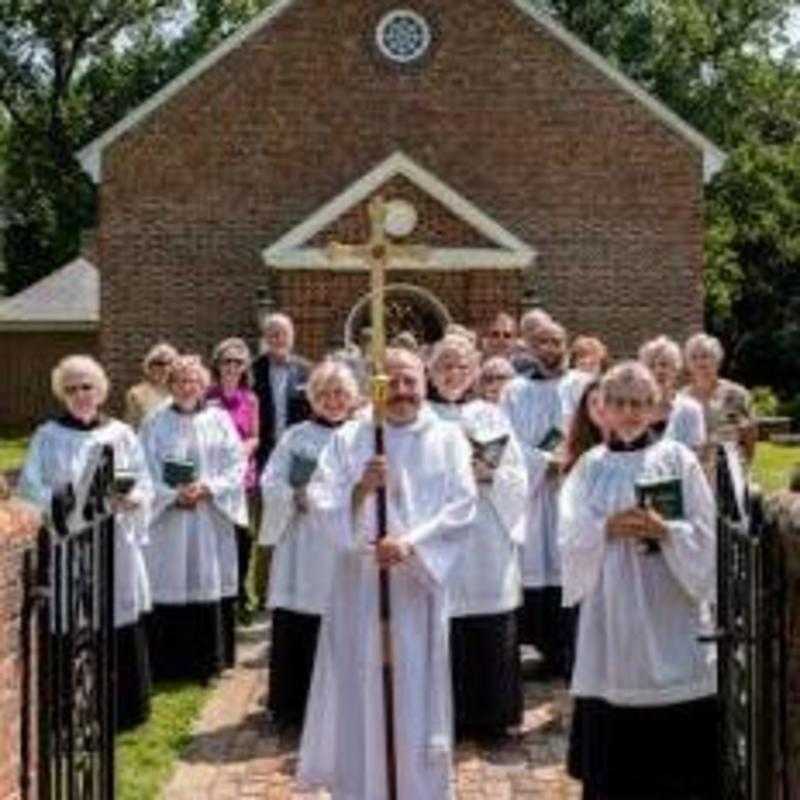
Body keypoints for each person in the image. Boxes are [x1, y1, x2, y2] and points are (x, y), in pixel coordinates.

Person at [298, 348, 477, 800]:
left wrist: (410, 544)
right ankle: (362, 787)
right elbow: (321, 499)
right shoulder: (353, 438)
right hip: (361, 587)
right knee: (363, 687)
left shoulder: (449, 438)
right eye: (391, 382)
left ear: (425, 383)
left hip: (418, 588)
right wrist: (359, 490)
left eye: (409, 381)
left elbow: (462, 505)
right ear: (377, 386)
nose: (401, 392)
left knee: (415, 692)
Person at [559, 362, 718, 800]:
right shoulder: (589, 467)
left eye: (639, 403)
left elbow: (706, 532)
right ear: (602, 410)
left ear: (655, 409)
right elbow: (569, 536)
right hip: (612, 613)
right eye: (620, 403)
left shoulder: (678, 459)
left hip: (669, 605)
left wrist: (667, 531)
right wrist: (605, 529)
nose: (630, 412)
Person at [19, 355, 154, 730]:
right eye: (72, 388)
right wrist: (70, 508)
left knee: (116, 615)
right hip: (69, 544)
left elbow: (143, 480)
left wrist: (134, 498)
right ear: (62, 394)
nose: (81, 394)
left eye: (87, 386)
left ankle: (123, 710)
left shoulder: (121, 435)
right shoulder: (48, 436)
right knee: (73, 619)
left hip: (115, 544)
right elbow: (31, 490)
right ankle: (71, 709)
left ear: (101, 389)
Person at [260, 361, 360, 731]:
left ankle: (345, 704)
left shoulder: (362, 434)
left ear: (351, 398)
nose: (333, 401)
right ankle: (293, 706)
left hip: (344, 542)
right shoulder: (295, 437)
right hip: (303, 542)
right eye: (324, 394)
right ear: (312, 398)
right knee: (300, 621)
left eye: (340, 394)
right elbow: (270, 482)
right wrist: (291, 497)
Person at [140, 355, 246, 682]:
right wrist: (172, 495)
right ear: (170, 385)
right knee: (171, 578)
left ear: (203, 385)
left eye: (193, 381)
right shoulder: (154, 422)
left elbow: (235, 463)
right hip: (170, 518)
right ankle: (170, 665)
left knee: (206, 577)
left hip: (208, 515)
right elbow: (141, 467)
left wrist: (208, 487)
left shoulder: (219, 419)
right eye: (180, 381)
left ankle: (209, 663)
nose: (187, 387)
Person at [502, 317, 576, 678]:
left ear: (567, 344)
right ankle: (541, 646)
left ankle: (568, 650)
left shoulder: (583, 386)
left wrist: (570, 463)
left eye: (556, 340)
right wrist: (543, 462)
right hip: (532, 493)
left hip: (570, 490)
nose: (550, 348)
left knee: (568, 562)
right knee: (535, 564)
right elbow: (507, 440)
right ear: (530, 348)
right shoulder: (515, 391)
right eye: (542, 342)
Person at [252, 312, 311, 609]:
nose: (278, 339)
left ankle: (293, 586)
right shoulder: (253, 371)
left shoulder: (306, 372)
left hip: (297, 458)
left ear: (292, 336)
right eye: (272, 333)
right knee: (266, 524)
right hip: (263, 457)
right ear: (266, 338)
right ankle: (262, 594)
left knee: (297, 521)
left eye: (283, 333)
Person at [207, 338, 260, 625]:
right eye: (226, 361)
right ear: (217, 364)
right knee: (217, 537)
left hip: (244, 478)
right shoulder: (207, 396)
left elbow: (255, 435)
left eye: (237, 362)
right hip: (214, 477)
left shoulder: (250, 399)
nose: (231, 367)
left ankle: (242, 593)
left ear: (244, 367)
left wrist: (244, 450)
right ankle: (219, 595)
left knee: (243, 538)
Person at [682, 333, 756, 475]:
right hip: (693, 472)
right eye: (694, 357)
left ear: (717, 359)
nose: (700, 362)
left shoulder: (737, 395)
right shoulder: (681, 399)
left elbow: (750, 435)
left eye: (705, 356)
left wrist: (743, 467)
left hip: (730, 470)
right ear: (688, 364)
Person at [639, 335, 706, 450]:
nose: (658, 370)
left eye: (664, 365)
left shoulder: (690, 409)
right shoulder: (633, 410)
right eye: (651, 366)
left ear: (675, 369)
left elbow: (696, 456)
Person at [124, 342, 178, 428]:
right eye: (159, 363)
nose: (165, 368)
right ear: (149, 366)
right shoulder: (137, 394)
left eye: (170, 363)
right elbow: (131, 426)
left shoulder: (179, 392)